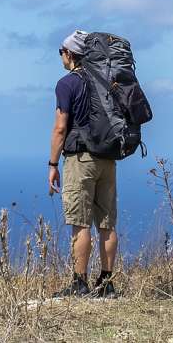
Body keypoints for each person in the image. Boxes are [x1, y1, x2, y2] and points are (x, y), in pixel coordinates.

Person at [48, 30, 118, 298]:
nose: (61, 56)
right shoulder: (107, 80)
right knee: (107, 223)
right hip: (108, 158)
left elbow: (60, 128)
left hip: (80, 158)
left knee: (80, 223)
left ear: (70, 54)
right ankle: (107, 283)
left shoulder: (67, 84)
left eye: (61, 51)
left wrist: (52, 164)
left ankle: (79, 283)